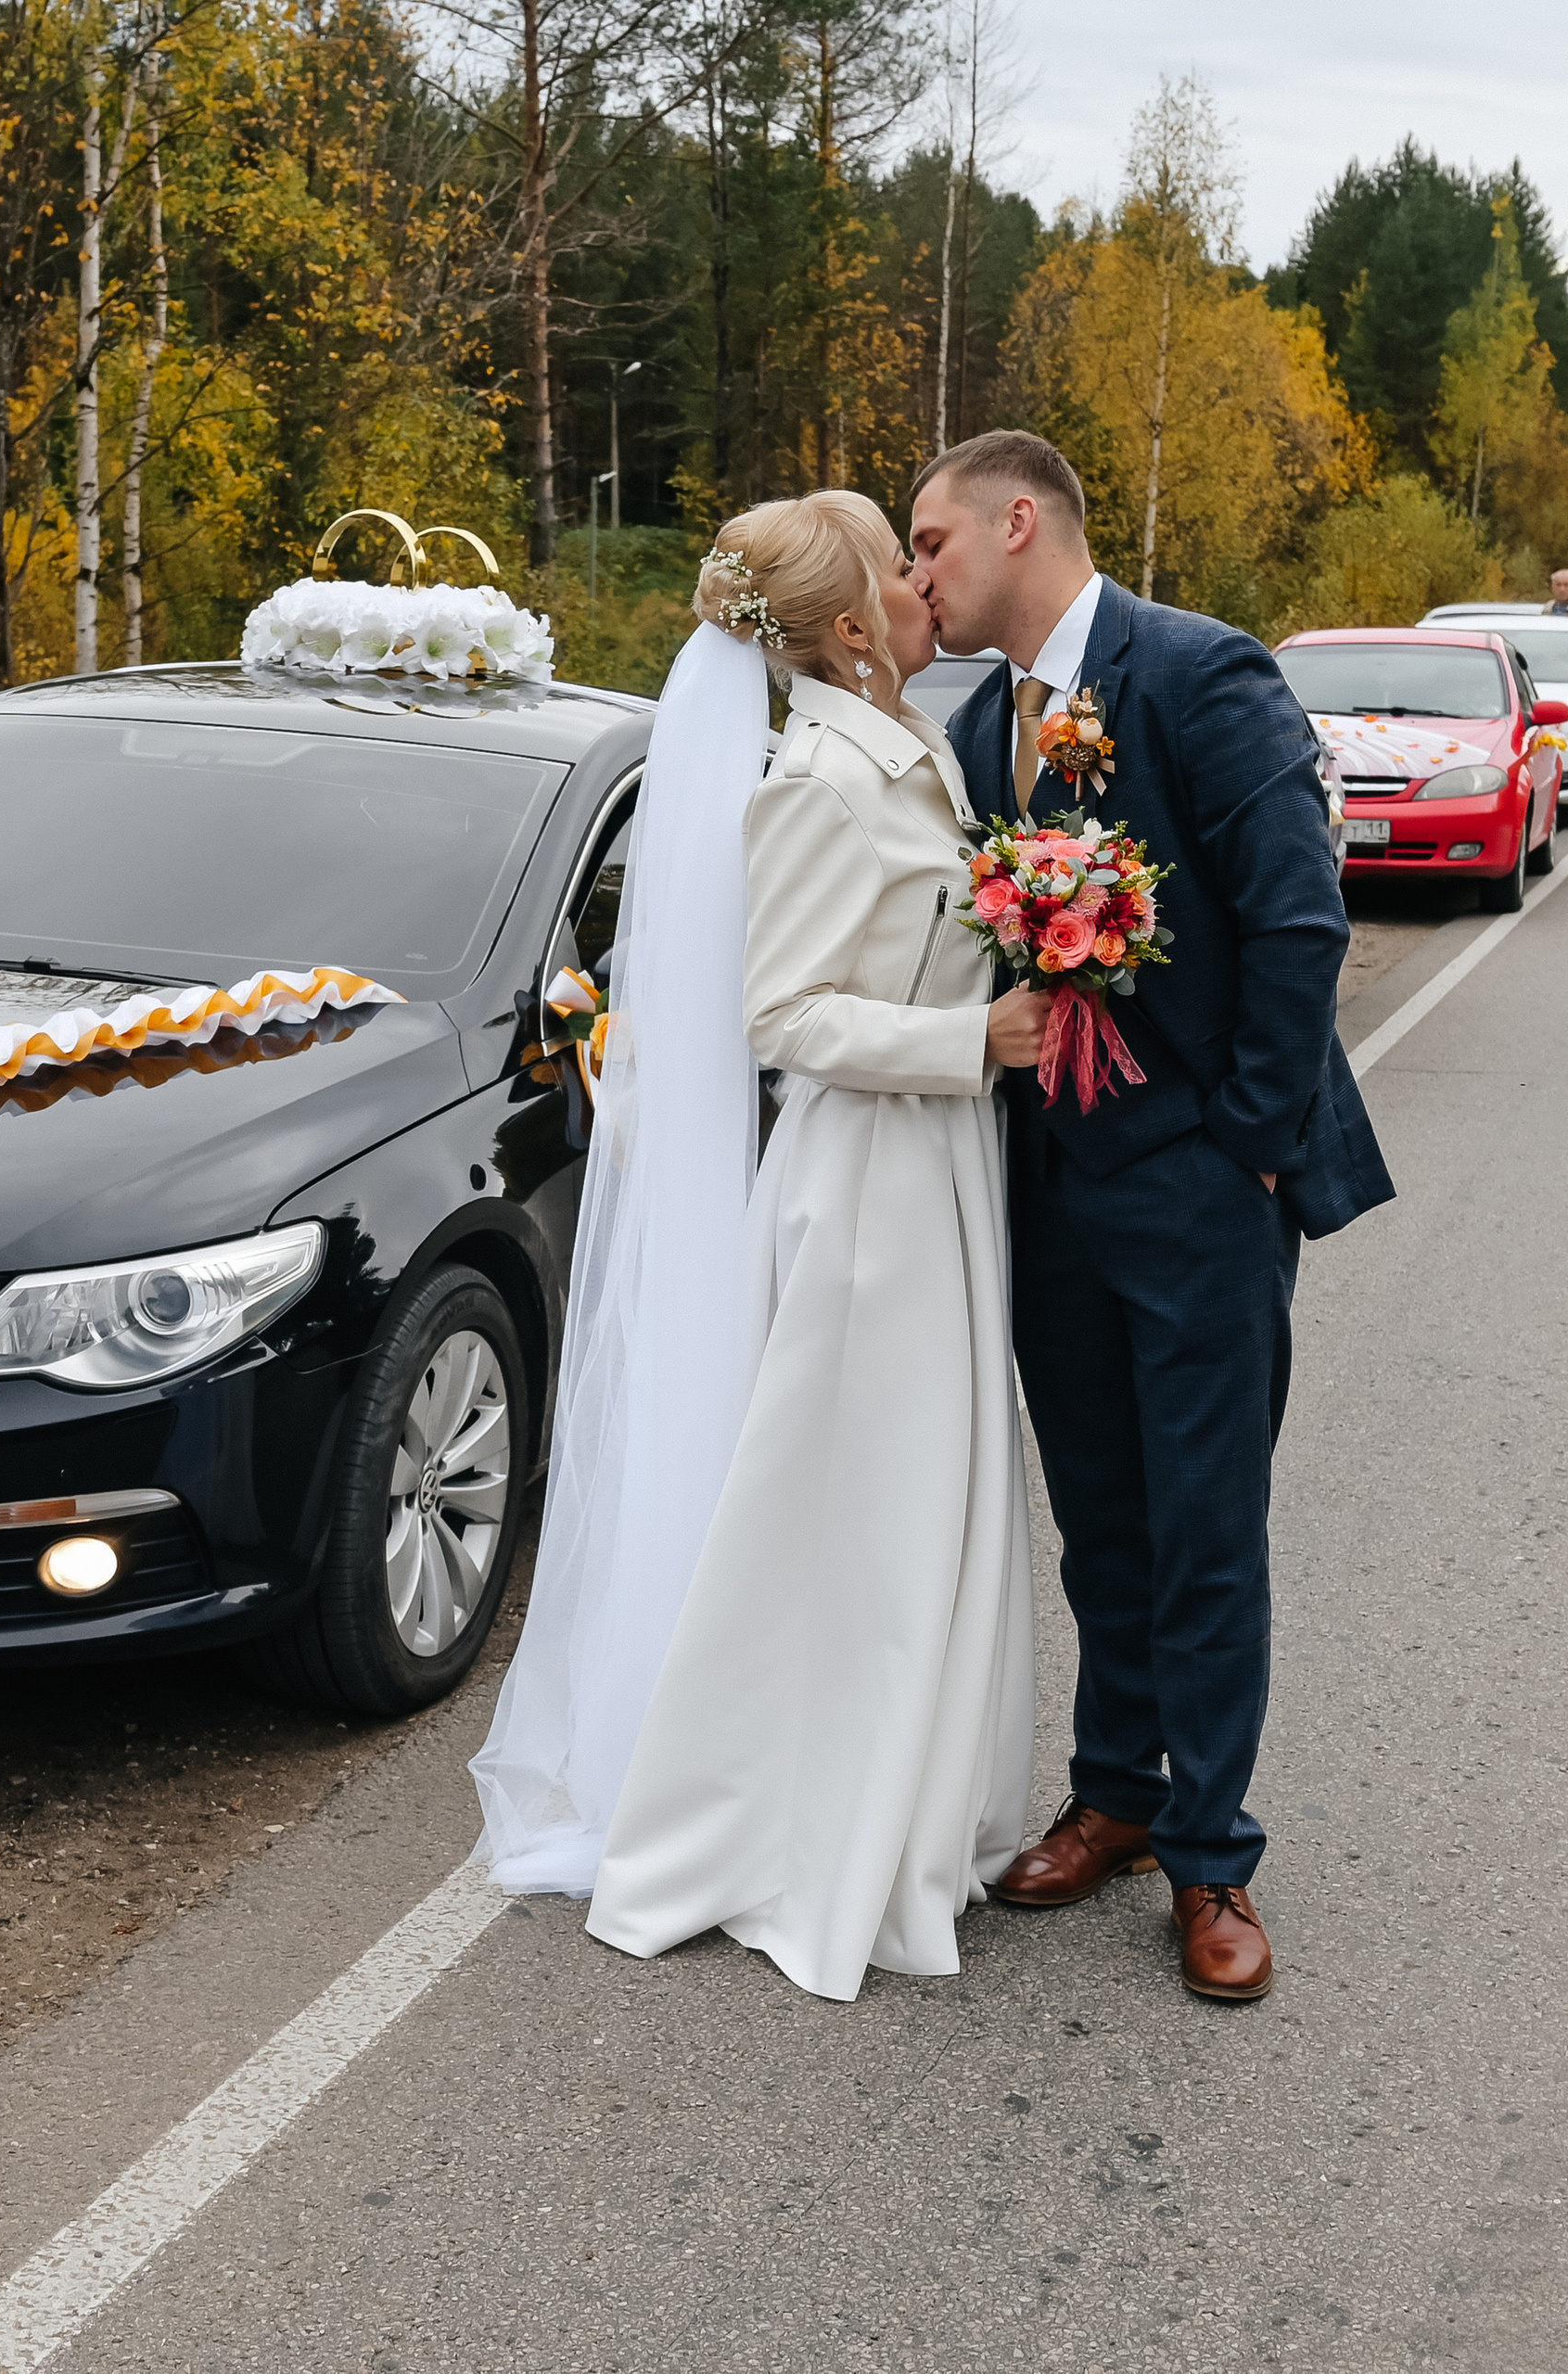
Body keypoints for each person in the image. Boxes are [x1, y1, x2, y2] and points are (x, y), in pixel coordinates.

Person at [470, 489, 1053, 2001]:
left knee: (916, 1506)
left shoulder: (914, 743)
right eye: (901, 568)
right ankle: (790, 1827)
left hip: (936, 1169)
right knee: (859, 1517)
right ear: (855, 630)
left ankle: (910, 1804)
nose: (932, 584)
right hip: (866, 1184)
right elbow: (779, 1015)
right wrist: (970, 1034)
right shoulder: (815, 778)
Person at [910, 430, 1395, 2002]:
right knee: (1103, 1515)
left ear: (1019, 518)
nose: (920, 575)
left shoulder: (1201, 671)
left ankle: (1213, 1856)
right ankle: (1114, 1789)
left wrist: (1249, 1145)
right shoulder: (986, 722)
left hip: (1197, 1176)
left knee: (1203, 1524)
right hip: (1052, 1187)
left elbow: (1298, 910)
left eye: (933, 543)